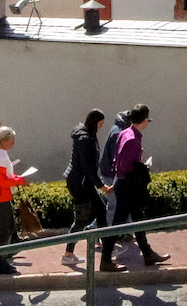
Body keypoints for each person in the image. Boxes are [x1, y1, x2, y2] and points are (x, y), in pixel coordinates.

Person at [100, 104, 170, 273]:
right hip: (128, 186)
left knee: (138, 220)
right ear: (144, 120)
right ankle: (106, 260)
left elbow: (118, 162)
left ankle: (147, 254)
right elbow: (124, 166)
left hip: (123, 185)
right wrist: (140, 166)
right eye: (147, 120)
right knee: (118, 224)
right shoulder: (132, 139)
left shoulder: (125, 133)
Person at [62, 109, 111, 265]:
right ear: (94, 122)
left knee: (101, 210)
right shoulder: (85, 139)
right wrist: (101, 185)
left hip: (84, 182)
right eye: (101, 124)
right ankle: (68, 255)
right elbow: (87, 167)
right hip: (81, 184)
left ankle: (106, 246)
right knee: (81, 220)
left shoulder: (85, 135)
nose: (101, 127)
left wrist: (96, 183)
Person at [0, 126, 29, 276]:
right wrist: (20, 180)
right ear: (5, 141)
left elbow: (3, 178)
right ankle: (0, 263)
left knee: (9, 228)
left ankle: (4, 258)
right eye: (12, 140)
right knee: (4, 231)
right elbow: (4, 181)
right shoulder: (1, 156)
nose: (13, 143)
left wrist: (18, 179)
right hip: (0, 196)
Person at [99, 109, 130, 226]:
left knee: (119, 203)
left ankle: (125, 231)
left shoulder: (116, 128)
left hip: (108, 170)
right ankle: (95, 230)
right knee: (113, 204)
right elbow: (116, 159)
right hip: (110, 172)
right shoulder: (119, 133)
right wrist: (116, 182)